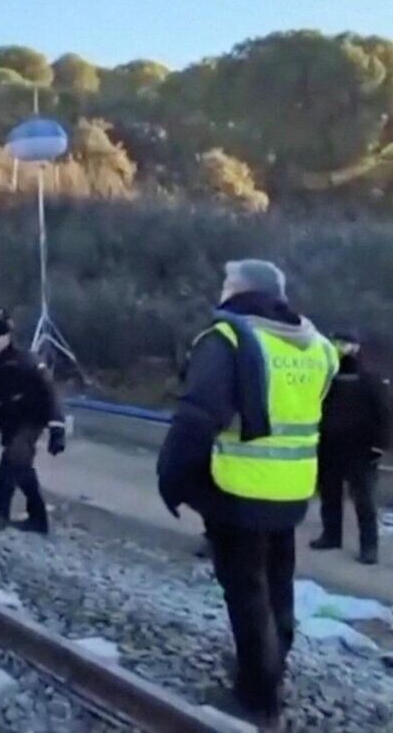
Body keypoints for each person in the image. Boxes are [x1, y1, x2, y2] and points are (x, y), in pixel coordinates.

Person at [157, 260, 337, 730]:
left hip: (239, 490)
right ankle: (271, 671)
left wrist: (172, 479)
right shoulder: (315, 345)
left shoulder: (229, 339)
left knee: (246, 591)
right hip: (293, 489)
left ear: (238, 290)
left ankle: (258, 699)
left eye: (225, 284)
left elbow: (197, 417)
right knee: (277, 586)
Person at [0, 317, 66, 534]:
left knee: (10, 461)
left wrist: (57, 428)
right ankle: (38, 519)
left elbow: (50, 392)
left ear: (7, 338)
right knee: (22, 467)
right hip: (9, 422)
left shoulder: (26, 361)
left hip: (32, 419)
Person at [310, 332, 389, 565]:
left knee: (363, 499)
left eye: (345, 345)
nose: (341, 349)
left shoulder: (370, 381)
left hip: (361, 450)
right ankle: (331, 536)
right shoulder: (326, 379)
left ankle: (369, 547)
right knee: (330, 495)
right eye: (338, 344)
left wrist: (378, 446)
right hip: (329, 447)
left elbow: (384, 415)